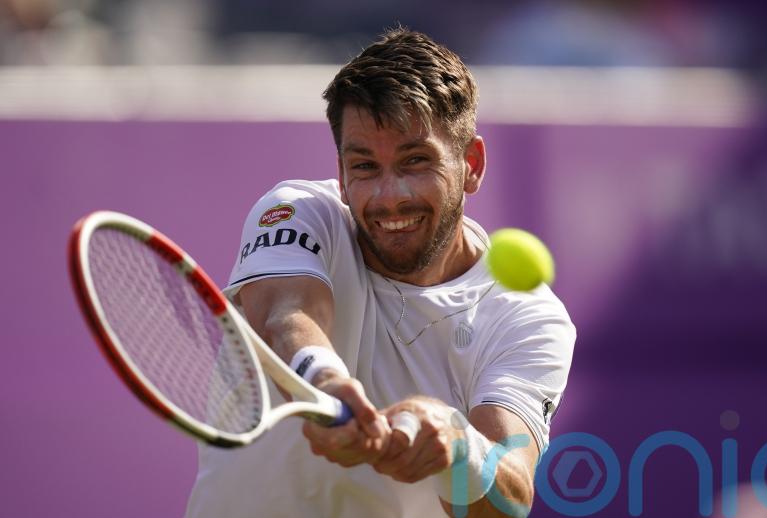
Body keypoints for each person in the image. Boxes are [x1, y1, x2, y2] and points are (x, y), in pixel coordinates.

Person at [185, 28, 575, 518]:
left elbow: (508, 499)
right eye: (365, 166)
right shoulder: (298, 211)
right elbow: (284, 317)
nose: (390, 197)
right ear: (341, 173)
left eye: (415, 161)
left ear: (471, 164)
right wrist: (326, 384)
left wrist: (457, 446)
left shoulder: (530, 318)